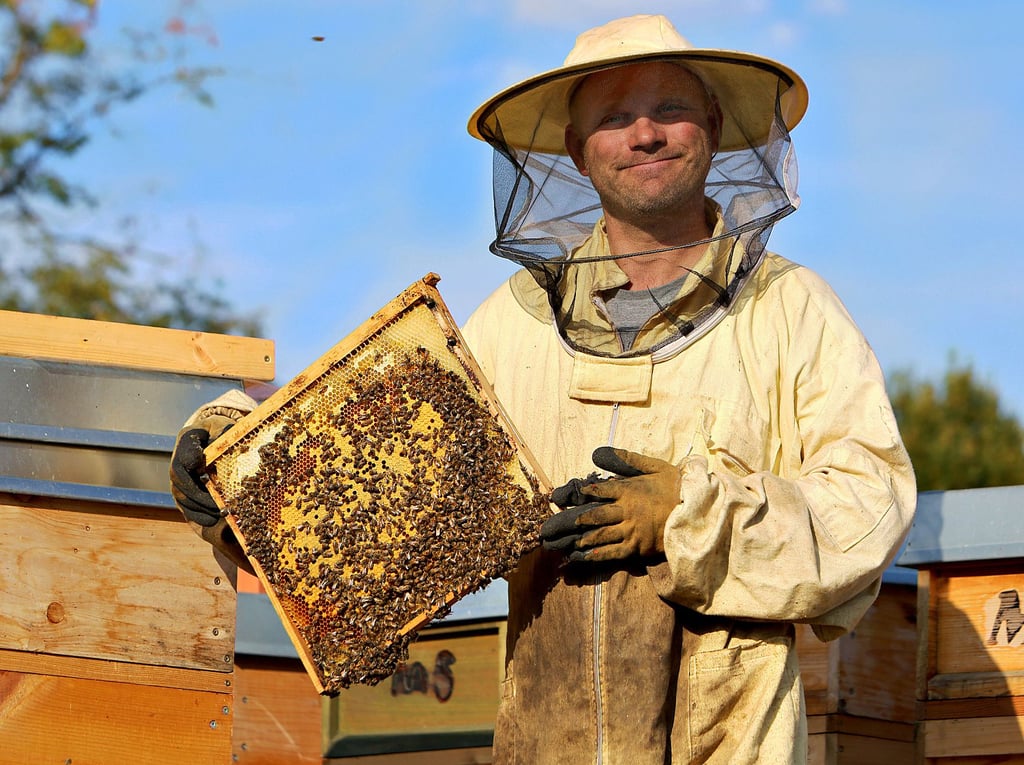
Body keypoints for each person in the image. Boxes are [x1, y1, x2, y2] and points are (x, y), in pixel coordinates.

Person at [171, 14, 916, 764]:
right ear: (577, 152)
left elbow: (867, 505)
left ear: (715, 127)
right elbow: (378, 500)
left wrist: (687, 515)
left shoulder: (792, 310)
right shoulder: (515, 323)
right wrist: (231, 461)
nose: (644, 134)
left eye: (670, 110)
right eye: (615, 118)